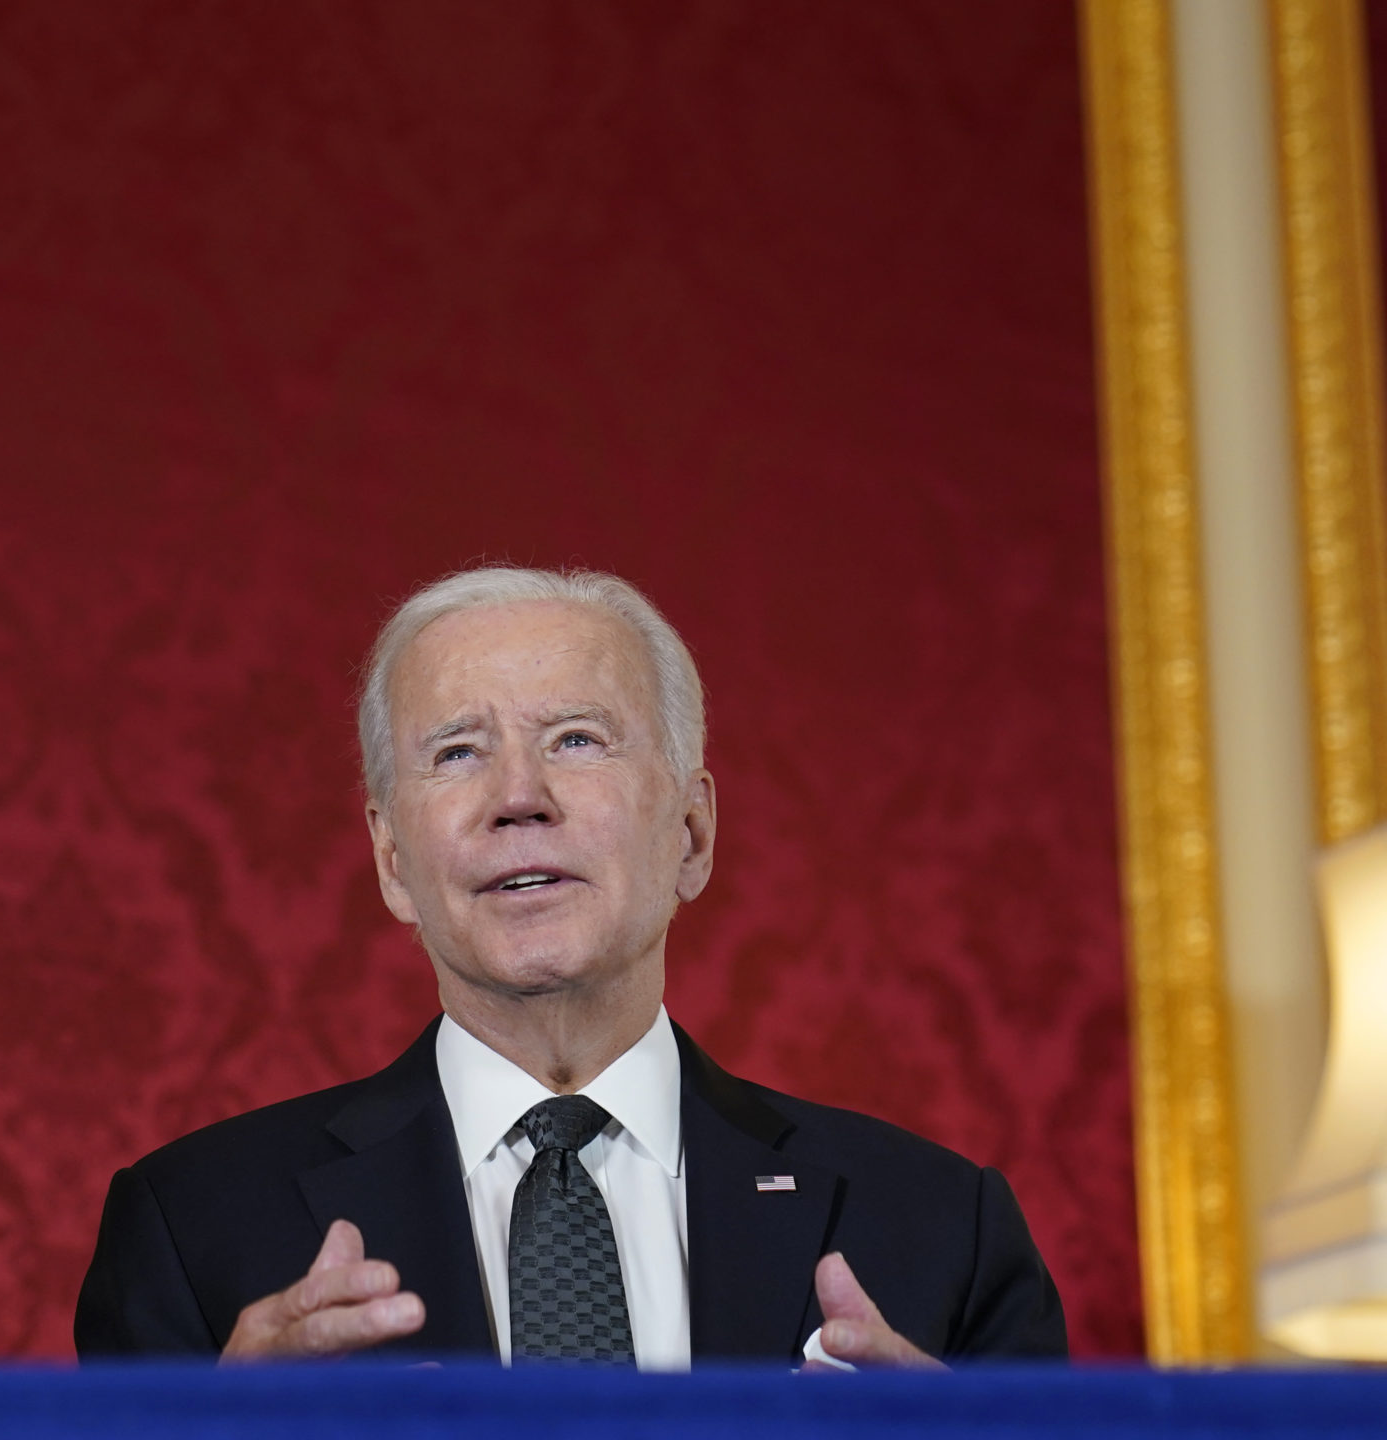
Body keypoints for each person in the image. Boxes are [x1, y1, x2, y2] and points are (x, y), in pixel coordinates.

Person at [74, 567, 1067, 1368]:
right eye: (457, 753)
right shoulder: (191, 1230)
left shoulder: (942, 1229)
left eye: (574, 739)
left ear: (690, 833)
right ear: (392, 864)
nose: (520, 796)